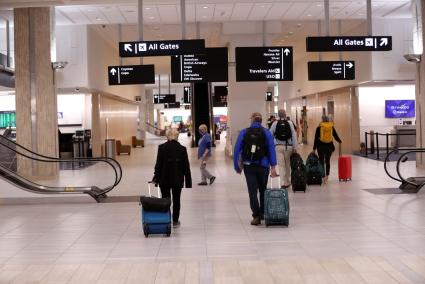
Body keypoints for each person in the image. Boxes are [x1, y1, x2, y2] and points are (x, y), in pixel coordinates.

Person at [233, 112, 278, 226]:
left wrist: (237, 166)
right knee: (263, 190)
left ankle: (256, 216)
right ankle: (263, 213)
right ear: (261, 121)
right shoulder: (266, 132)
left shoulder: (244, 132)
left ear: (252, 120)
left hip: (249, 166)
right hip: (263, 165)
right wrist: (273, 166)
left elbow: (236, 150)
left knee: (252, 192)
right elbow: (271, 150)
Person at [153, 128, 192, 227]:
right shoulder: (182, 149)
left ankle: (166, 219)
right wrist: (188, 182)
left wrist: (156, 178)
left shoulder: (162, 147)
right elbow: (186, 166)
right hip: (177, 179)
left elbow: (159, 165)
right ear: (177, 136)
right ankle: (175, 221)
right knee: (176, 200)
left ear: (167, 136)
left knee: (165, 200)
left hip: (164, 179)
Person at [270, 109, 298, 189]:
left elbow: (270, 135)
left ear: (278, 115)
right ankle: (287, 181)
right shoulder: (290, 123)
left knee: (281, 165)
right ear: (285, 114)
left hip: (278, 146)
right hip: (288, 146)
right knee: (287, 164)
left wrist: (270, 146)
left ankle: (282, 182)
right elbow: (294, 135)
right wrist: (295, 147)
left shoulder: (274, 123)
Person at [313, 115, 342, 184]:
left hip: (320, 147)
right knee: (328, 161)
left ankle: (322, 177)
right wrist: (339, 141)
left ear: (322, 120)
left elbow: (316, 138)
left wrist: (314, 148)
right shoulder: (331, 127)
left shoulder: (319, 127)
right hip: (329, 147)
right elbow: (335, 135)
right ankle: (327, 176)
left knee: (321, 161)